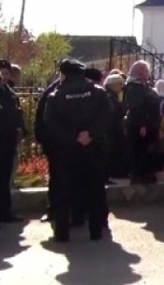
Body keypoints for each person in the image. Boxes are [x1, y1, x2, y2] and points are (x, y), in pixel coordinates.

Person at [42, 59, 112, 242]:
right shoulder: (98, 92)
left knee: (63, 191)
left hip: (66, 151)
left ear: (64, 74)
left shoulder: (56, 95)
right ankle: (96, 231)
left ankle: (62, 232)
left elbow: (50, 124)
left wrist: (73, 136)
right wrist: (90, 134)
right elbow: (106, 117)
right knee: (95, 189)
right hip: (94, 149)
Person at [0, 60, 23, 221]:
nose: (4, 77)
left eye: (6, 74)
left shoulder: (9, 92)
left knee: (5, 179)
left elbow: (16, 114)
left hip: (8, 141)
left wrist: (20, 130)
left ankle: (5, 212)